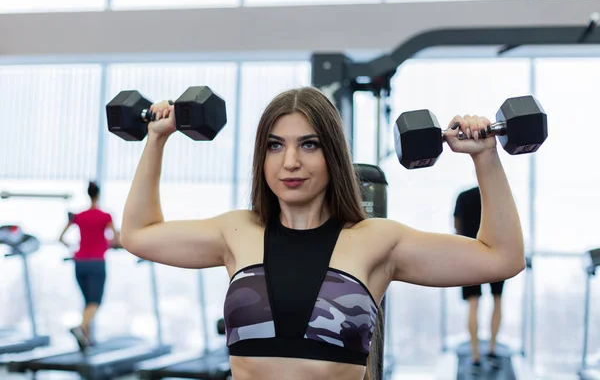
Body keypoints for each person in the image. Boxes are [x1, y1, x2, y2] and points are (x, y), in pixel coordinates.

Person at [120, 87, 525, 380]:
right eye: (275, 146)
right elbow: (138, 233)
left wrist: (485, 156)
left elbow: (501, 257)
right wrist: (157, 138)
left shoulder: (375, 240)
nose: (290, 162)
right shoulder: (236, 231)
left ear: (333, 154)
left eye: (309, 145)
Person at [59, 181, 119, 351]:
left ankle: (86, 339)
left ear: (88, 194)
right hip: (96, 263)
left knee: (87, 303)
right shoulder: (105, 216)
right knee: (94, 303)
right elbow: (114, 239)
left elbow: (61, 237)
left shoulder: (79, 216)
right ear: (98, 195)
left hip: (79, 263)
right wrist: (106, 244)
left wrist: (72, 248)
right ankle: (80, 327)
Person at [454, 186, 504, 373]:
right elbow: (507, 223)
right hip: (496, 251)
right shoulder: (498, 194)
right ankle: (491, 350)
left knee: (473, 304)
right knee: (497, 300)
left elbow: (457, 225)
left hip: (470, 251)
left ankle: (476, 356)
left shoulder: (464, 196)